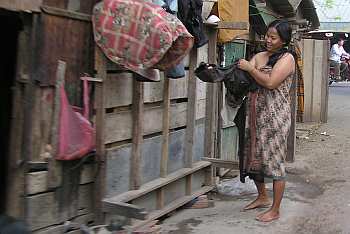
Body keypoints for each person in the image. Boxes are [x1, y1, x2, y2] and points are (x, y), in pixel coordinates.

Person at [237, 19, 295, 222]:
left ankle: (275, 209)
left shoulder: (287, 59)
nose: (268, 40)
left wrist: (251, 69)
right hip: (254, 113)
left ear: (284, 40)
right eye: (267, 36)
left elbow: (270, 83)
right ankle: (262, 196)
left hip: (275, 117)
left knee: (275, 161)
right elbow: (242, 75)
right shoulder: (260, 56)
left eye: (273, 37)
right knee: (254, 155)